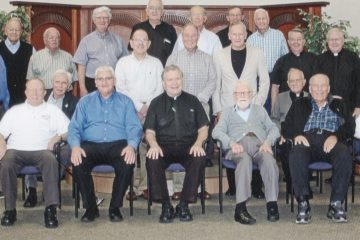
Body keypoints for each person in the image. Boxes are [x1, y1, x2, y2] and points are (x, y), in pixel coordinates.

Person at [68, 65, 143, 223]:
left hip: (118, 145)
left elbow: (134, 127)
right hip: (90, 145)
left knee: (127, 161)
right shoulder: (85, 102)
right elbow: (74, 127)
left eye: (108, 78)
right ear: (95, 82)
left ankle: (114, 208)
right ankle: (90, 208)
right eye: (100, 79)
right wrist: (75, 146)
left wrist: (132, 146)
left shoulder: (125, 102)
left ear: (114, 81)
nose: (104, 82)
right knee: (78, 161)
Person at [282, 73, 354, 224]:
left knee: (344, 154)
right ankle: (303, 203)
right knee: (296, 153)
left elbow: (350, 127)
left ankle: (336, 203)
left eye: (323, 86)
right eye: (316, 86)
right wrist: (296, 135)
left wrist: (336, 136)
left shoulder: (339, 104)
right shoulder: (299, 103)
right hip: (307, 139)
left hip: (331, 140)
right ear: (310, 88)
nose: (319, 89)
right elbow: (286, 125)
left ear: (328, 88)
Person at [0, 78, 69, 228]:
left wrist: (58, 137)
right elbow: (1, 132)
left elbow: (68, 131)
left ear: (44, 92)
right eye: (31, 90)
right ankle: (10, 209)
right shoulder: (14, 111)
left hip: (42, 150)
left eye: (39, 90)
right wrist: (2, 142)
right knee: (6, 162)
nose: (35, 93)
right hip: (16, 150)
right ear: (25, 92)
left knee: (51, 160)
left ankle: (50, 209)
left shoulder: (53, 110)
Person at [144, 65, 209, 223]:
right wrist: (153, 145)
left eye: (177, 78)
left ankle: (184, 204)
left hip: (189, 146)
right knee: (152, 159)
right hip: (163, 147)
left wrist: (199, 143)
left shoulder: (193, 100)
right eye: (170, 79)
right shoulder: (156, 103)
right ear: (164, 83)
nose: (174, 83)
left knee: (199, 157)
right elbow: (149, 132)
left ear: (182, 80)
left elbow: (203, 128)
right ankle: (166, 205)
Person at [213, 22, 269, 198]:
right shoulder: (219, 54)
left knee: (255, 141)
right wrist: (218, 109)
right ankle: (233, 187)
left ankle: (257, 187)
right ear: (229, 35)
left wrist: (258, 103)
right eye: (234, 34)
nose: (237, 37)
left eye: (241, 34)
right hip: (228, 107)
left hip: (252, 107)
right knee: (231, 143)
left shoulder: (257, 53)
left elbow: (265, 81)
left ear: (246, 35)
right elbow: (216, 85)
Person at [212, 81, 280, 225]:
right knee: (244, 161)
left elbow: (273, 129)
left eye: (246, 92)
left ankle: (272, 204)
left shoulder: (260, 110)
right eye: (239, 93)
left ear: (251, 94)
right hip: (238, 147)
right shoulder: (227, 112)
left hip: (259, 145)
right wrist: (231, 143)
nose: (243, 95)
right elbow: (216, 131)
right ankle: (240, 209)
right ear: (234, 95)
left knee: (269, 161)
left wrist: (268, 142)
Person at [166, 23, 216, 201]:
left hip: (201, 106)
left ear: (198, 37)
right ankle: (179, 188)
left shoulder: (207, 58)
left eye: (193, 36)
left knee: (200, 146)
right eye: (186, 36)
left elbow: (213, 81)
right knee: (181, 143)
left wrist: (199, 98)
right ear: (181, 37)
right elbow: (169, 82)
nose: (190, 39)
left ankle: (199, 186)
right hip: (178, 107)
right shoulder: (174, 58)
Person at [115, 28, 163, 201]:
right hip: (129, 110)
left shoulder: (156, 63)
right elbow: (120, 88)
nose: (141, 43)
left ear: (149, 43)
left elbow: (161, 87)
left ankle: (145, 186)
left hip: (152, 110)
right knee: (130, 147)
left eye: (144, 40)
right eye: (137, 40)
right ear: (131, 42)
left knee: (148, 147)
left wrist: (147, 107)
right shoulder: (122, 63)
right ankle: (129, 187)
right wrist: (137, 107)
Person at [22, 69, 78, 208]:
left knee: (66, 151)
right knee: (29, 148)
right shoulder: (39, 96)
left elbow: (73, 128)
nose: (60, 86)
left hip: (62, 139)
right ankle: (32, 191)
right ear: (51, 83)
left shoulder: (74, 102)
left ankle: (50, 186)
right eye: (57, 82)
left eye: (64, 83)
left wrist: (57, 137)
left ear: (69, 86)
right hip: (37, 137)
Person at [73, 6, 128, 96]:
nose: (102, 20)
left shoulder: (118, 40)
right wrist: (82, 88)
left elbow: (125, 63)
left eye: (105, 18)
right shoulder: (86, 41)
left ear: (109, 20)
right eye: (99, 18)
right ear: (94, 20)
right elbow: (81, 67)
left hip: (114, 83)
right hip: (92, 83)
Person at [271, 68, 308, 193]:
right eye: (292, 81)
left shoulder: (311, 97)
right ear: (287, 83)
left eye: (298, 80)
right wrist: (279, 134)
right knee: (286, 148)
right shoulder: (280, 98)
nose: (295, 83)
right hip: (285, 136)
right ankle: (291, 183)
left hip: (305, 136)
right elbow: (274, 119)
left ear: (304, 82)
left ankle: (303, 184)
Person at [271, 28, 318, 114]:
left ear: (304, 41)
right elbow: (275, 87)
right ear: (288, 42)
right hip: (286, 106)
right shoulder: (281, 61)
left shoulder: (314, 60)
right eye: (292, 39)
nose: (295, 42)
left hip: (309, 105)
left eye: (299, 39)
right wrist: (274, 109)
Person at [318, 27, 360, 117]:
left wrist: (358, 106)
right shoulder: (320, 59)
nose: (334, 42)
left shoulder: (353, 58)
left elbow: (358, 83)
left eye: (337, 39)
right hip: (326, 105)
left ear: (343, 41)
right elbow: (317, 84)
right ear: (327, 42)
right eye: (331, 40)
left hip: (350, 106)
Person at [130, 0, 177, 66]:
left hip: (164, 72)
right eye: (151, 8)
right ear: (147, 11)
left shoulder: (170, 30)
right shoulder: (138, 28)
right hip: (141, 70)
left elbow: (175, 53)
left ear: (162, 12)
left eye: (158, 8)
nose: (154, 11)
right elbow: (131, 51)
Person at [0, 17, 34, 106]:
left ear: (21, 31)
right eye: (11, 29)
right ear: (5, 31)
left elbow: (35, 75)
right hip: (2, 102)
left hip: (24, 101)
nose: (14, 32)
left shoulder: (30, 49)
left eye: (17, 30)